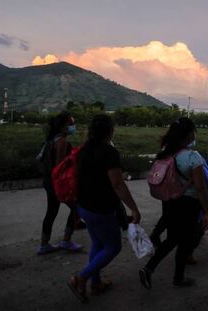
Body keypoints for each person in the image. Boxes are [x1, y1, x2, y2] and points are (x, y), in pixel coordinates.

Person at [68, 114, 141, 303]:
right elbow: (118, 184)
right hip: (101, 209)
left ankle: (97, 282)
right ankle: (81, 278)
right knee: (113, 246)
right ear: (110, 130)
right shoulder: (109, 152)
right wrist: (133, 208)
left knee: (98, 244)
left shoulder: (84, 150)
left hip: (84, 206)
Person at [139, 117, 208, 289]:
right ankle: (175, 277)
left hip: (170, 202)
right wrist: (207, 212)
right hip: (188, 205)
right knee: (185, 242)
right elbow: (201, 188)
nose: (194, 134)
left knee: (173, 238)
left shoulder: (166, 152)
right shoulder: (193, 157)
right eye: (193, 131)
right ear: (187, 135)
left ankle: (152, 269)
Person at [38, 111, 83, 255]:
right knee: (77, 208)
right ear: (63, 127)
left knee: (51, 212)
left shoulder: (50, 140)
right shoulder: (62, 142)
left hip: (49, 182)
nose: (73, 126)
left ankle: (44, 244)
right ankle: (66, 240)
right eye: (71, 124)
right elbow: (60, 167)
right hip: (58, 184)